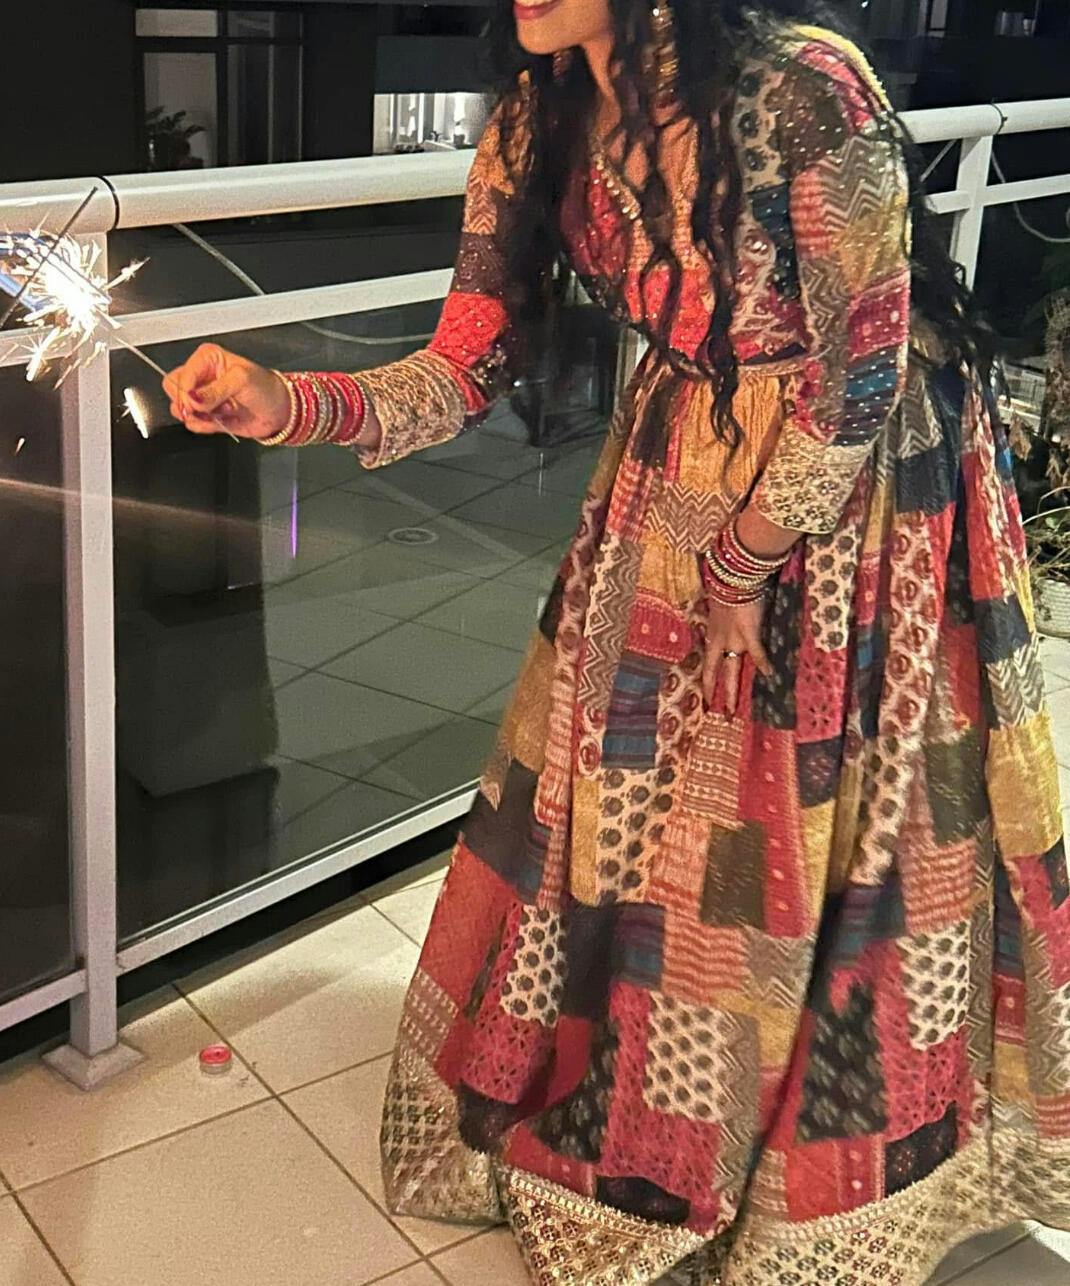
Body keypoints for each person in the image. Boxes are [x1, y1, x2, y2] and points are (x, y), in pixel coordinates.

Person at [163, 1, 1070, 1281]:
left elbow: (856, 378)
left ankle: (817, 1172)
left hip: (863, 498)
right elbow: (468, 361)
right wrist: (288, 401)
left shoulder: (804, 91)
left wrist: (744, 564)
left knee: (845, 815)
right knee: (635, 805)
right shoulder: (536, 118)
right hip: (677, 462)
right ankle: (661, 1122)